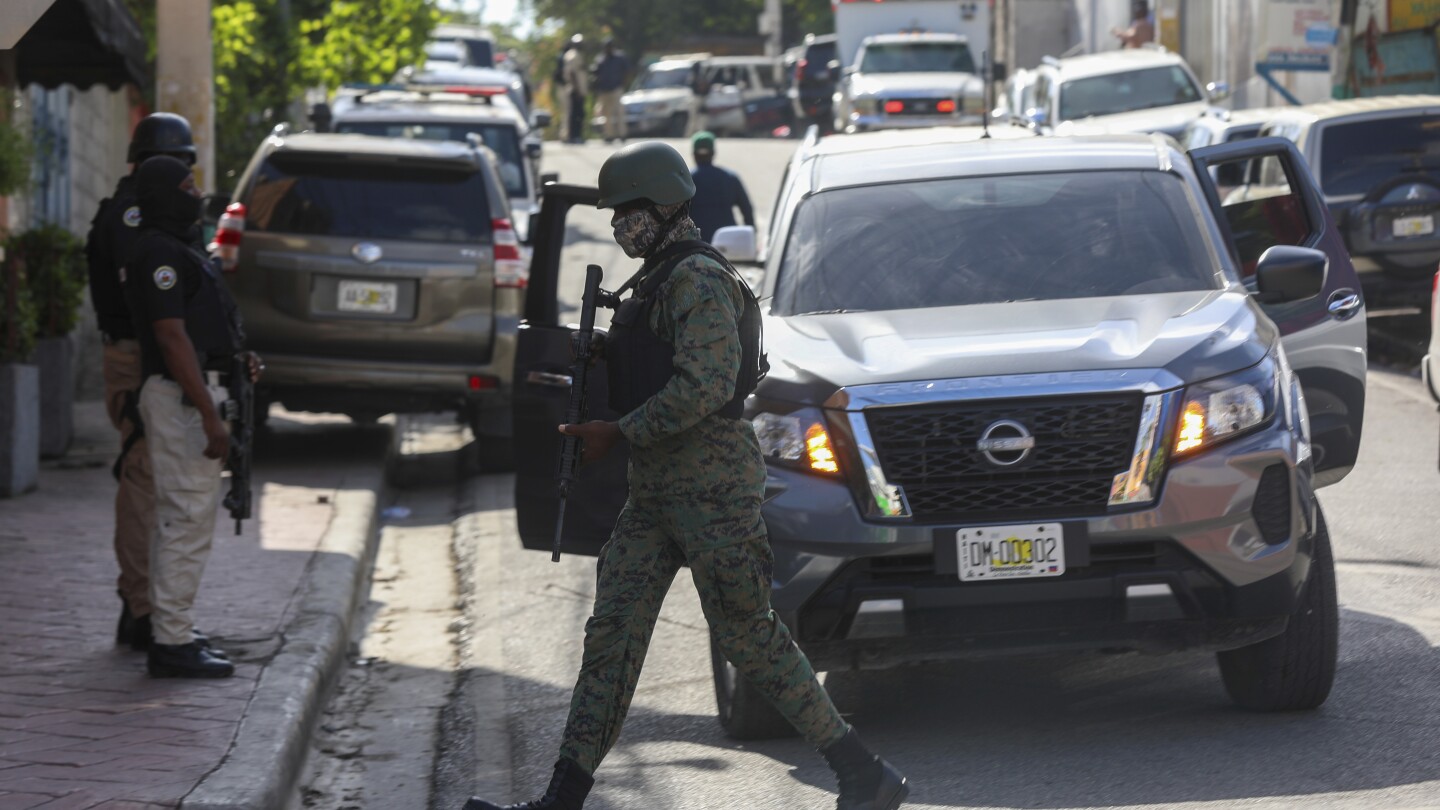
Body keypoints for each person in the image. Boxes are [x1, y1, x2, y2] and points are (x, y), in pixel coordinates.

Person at [461, 142, 908, 810]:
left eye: (630, 212)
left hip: (713, 490)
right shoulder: (657, 282)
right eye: (616, 215)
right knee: (611, 634)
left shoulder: (697, 278)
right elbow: (658, 362)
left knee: (747, 635)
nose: (620, 227)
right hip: (656, 494)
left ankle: (861, 772)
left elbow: (707, 382)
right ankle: (561, 799)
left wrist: (619, 432)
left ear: (667, 205)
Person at [124, 155, 261, 679]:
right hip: (182, 399)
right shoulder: (157, 251)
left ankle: (172, 627)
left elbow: (204, 326)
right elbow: (171, 336)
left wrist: (238, 358)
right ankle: (172, 642)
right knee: (186, 519)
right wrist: (208, 413)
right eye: (185, 185)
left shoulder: (180, 247)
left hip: (196, 393)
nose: (196, 192)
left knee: (181, 518)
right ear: (162, 194)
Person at [84, 112, 199, 653]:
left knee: (153, 480)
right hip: (136, 355)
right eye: (182, 170)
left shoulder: (142, 210)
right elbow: (151, 293)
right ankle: (140, 609)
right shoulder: (133, 214)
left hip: (150, 353)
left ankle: (146, 604)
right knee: (143, 478)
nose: (188, 185)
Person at [688, 131, 754, 242]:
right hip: (728, 244)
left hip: (696, 245)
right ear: (713, 153)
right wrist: (751, 239)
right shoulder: (730, 178)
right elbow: (747, 210)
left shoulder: (687, 181)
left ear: (693, 154)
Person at [590, 39, 629, 143]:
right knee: (606, 114)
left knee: (619, 111)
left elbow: (626, 71)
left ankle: (622, 134)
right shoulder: (600, 59)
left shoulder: (619, 57)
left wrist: (623, 84)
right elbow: (595, 73)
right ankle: (609, 135)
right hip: (604, 90)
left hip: (616, 88)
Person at [561, 34, 589, 144]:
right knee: (575, 114)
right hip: (575, 89)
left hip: (579, 89)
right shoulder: (572, 55)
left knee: (579, 113)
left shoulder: (577, 54)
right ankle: (574, 136)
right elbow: (571, 73)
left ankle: (577, 135)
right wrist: (577, 89)